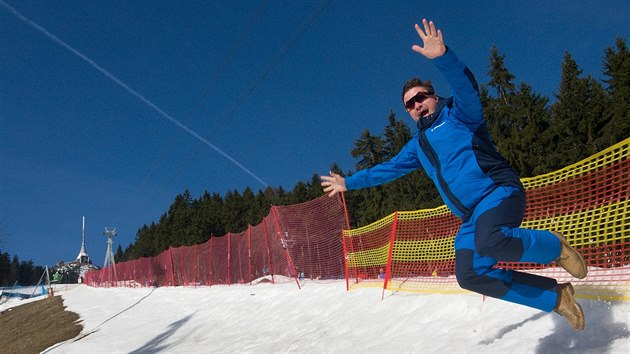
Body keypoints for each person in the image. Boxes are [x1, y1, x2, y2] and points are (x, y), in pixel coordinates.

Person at [321, 19, 588, 331]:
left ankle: (553, 246)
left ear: (434, 96)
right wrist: (348, 182)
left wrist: (443, 56)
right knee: (470, 274)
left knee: (490, 241)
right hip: (470, 217)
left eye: (421, 97)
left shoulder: (461, 114)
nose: (417, 105)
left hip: (498, 192)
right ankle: (555, 298)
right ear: (407, 112)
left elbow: (467, 87)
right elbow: (387, 169)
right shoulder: (417, 146)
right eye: (410, 104)